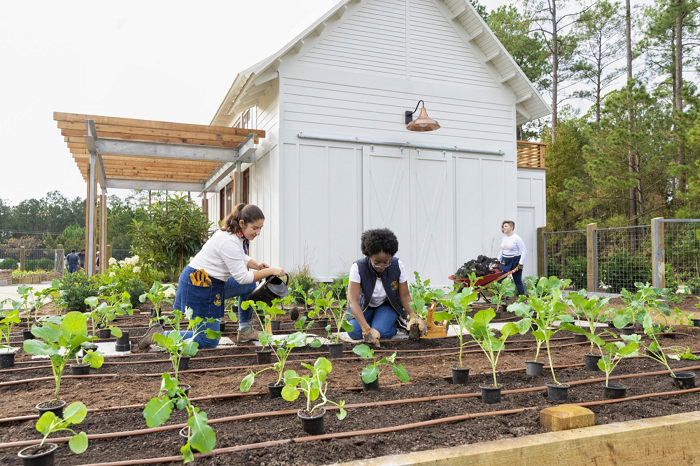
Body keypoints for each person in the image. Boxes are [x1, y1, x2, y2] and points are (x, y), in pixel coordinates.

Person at [138, 203, 286, 350]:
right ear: (242, 223)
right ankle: (159, 335)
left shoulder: (235, 235)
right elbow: (242, 277)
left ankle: (245, 330)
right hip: (198, 285)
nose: (258, 232)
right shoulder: (229, 241)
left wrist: (257, 265)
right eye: (255, 228)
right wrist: (271, 271)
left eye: (260, 228)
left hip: (212, 282)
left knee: (249, 286)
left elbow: (240, 257)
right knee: (208, 340)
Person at [346, 228, 427, 347]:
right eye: (377, 262)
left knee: (382, 333)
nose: (382, 266)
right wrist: (366, 328)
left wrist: (413, 316)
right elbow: (353, 301)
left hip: (387, 305)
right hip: (365, 306)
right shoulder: (358, 267)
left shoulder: (397, 265)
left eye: (386, 262)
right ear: (369, 256)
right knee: (354, 332)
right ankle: (374, 323)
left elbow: (404, 296)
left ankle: (395, 324)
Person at [497, 220, 527, 296]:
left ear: (512, 227)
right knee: (499, 280)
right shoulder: (504, 238)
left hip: (515, 261)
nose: (504, 228)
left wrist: (521, 263)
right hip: (505, 261)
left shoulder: (517, 238)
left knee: (517, 281)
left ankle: (522, 297)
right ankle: (498, 297)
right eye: (503, 226)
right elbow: (502, 250)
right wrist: (498, 260)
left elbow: (524, 251)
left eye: (506, 226)